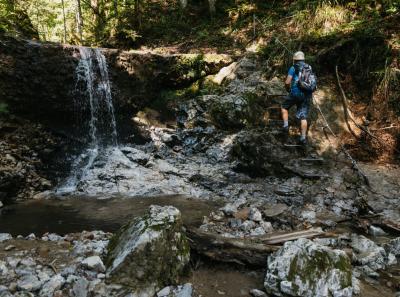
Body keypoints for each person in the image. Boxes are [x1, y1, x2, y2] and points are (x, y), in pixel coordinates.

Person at [281, 51, 312, 145]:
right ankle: (303, 138)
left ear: (294, 60)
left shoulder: (293, 67)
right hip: (306, 94)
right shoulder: (309, 67)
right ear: (303, 59)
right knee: (303, 116)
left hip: (295, 93)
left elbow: (287, 82)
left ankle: (286, 126)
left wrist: (288, 89)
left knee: (284, 107)